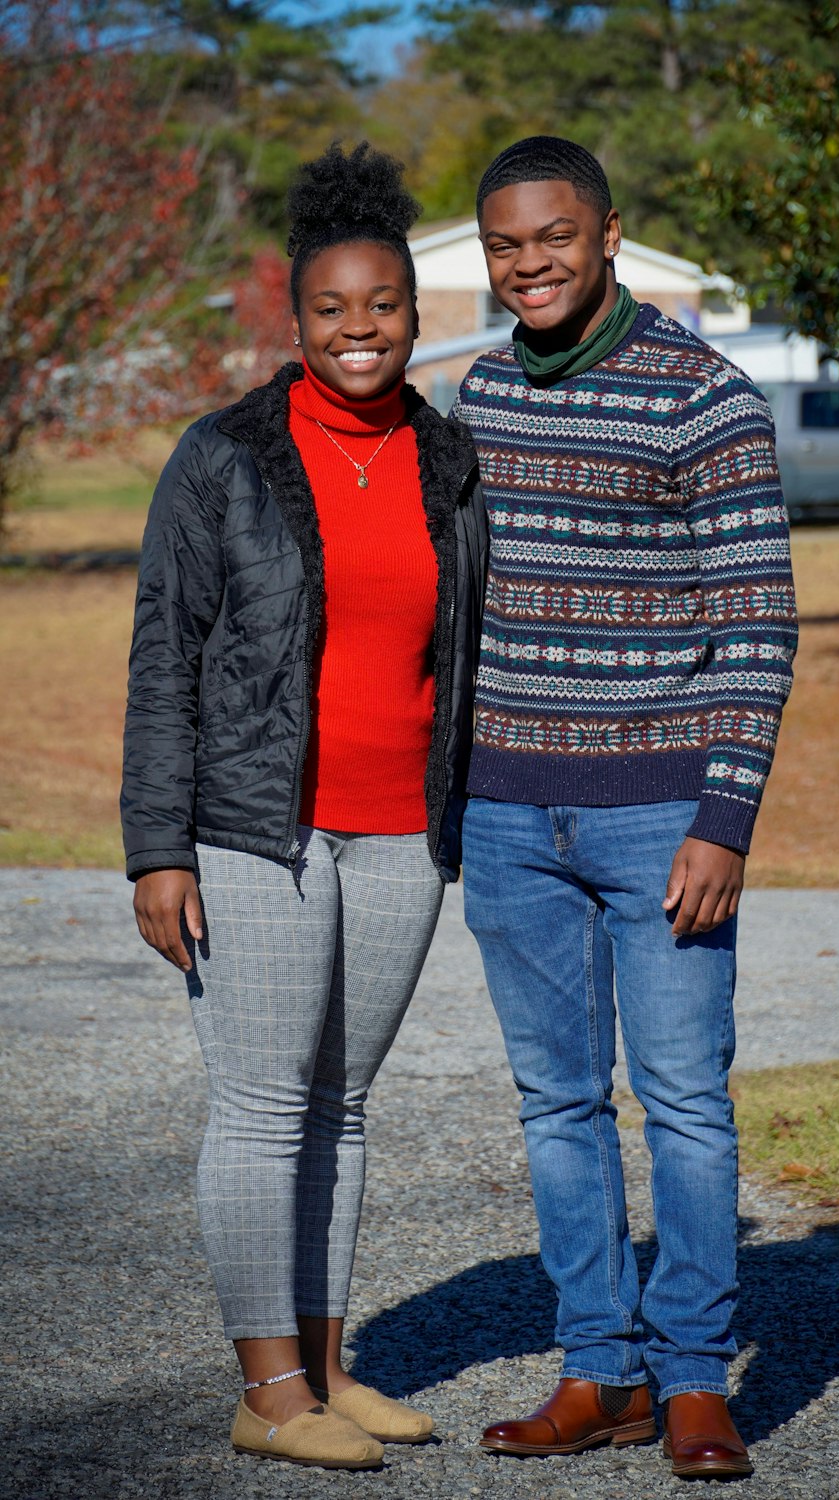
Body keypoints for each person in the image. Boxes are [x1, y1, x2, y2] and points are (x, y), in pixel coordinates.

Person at [121, 141, 487, 1471]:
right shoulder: (220, 459)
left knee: (343, 1106)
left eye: (381, 306)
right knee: (262, 1109)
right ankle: (268, 1394)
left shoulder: (450, 460)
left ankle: (331, 1371)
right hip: (255, 834)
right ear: (296, 316)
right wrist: (157, 850)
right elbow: (166, 653)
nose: (358, 331)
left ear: (413, 311)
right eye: (331, 309)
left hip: (402, 836)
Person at [452, 137, 797, 1480]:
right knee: (555, 1106)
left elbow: (757, 625)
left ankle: (698, 1377)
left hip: (663, 819)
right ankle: (602, 1370)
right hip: (506, 818)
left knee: (685, 1103)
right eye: (503, 244)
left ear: (608, 234)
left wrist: (725, 818)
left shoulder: (705, 398)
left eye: (551, 236)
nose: (527, 262)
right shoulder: (480, 395)